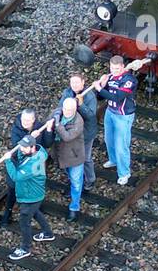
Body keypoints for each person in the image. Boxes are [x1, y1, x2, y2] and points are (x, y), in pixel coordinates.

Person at [91, 55, 152, 186]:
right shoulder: (110, 77)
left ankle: (124, 173)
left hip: (123, 116)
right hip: (110, 113)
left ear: (123, 67)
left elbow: (117, 97)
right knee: (109, 140)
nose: (115, 71)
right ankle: (113, 160)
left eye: (117, 69)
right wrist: (102, 84)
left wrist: (100, 88)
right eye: (112, 68)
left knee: (121, 146)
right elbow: (100, 97)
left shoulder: (129, 80)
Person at [0, 109, 55, 228]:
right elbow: (17, 146)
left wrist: (49, 130)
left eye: (28, 120)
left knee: (34, 185)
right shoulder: (16, 128)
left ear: (33, 120)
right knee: (13, 187)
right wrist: (30, 137)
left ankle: (36, 205)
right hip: (18, 162)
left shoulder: (40, 127)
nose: (25, 122)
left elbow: (48, 143)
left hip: (34, 163)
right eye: (23, 119)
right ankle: (7, 213)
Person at [5, 137, 51, 260]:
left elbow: (16, 176)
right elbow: (22, 157)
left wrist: (8, 161)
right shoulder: (36, 153)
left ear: (33, 147)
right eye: (21, 146)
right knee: (35, 213)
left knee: (24, 222)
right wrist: (18, 151)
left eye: (25, 147)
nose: (21, 149)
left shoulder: (33, 164)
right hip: (33, 195)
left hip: (30, 197)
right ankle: (48, 233)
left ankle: (25, 248)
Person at [50, 95, 86, 221]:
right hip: (61, 155)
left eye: (70, 110)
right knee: (71, 176)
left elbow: (67, 137)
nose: (67, 112)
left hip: (75, 157)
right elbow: (48, 121)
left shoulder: (78, 121)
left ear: (75, 109)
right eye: (65, 109)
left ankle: (74, 207)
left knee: (76, 183)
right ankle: (76, 186)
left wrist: (57, 124)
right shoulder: (57, 112)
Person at [61, 72, 98, 190]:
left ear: (83, 82)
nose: (75, 85)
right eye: (72, 82)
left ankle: (90, 179)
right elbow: (60, 108)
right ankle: (75, 179)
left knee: (85, 158)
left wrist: (81, 105)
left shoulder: (90, 96)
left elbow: (91, 116)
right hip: (71, 132)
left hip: (86, 133)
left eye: (77, 82)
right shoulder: (67, 93)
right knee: (70, 156)